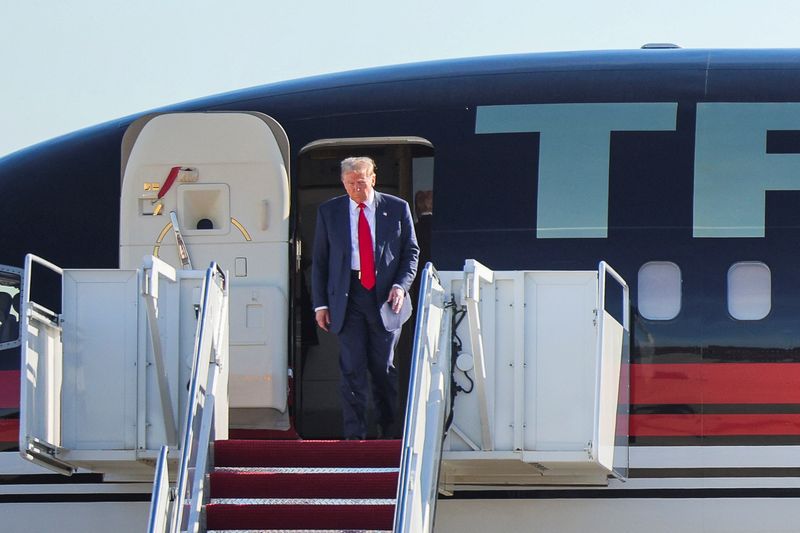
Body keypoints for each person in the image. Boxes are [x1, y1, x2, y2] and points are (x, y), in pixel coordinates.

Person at [312, 156, 419, 440]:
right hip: (347, 297)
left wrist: (401, 285)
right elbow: (320, 261)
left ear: (373, 178)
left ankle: (389, 431)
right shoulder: (329, 212)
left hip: (385, 297)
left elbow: (411, 253)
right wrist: (320, 304)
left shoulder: (397, 208)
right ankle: (354, 437)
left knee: (383, 367)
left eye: (361, 182)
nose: (356, 189)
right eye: (349, 184)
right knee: (351, 368)